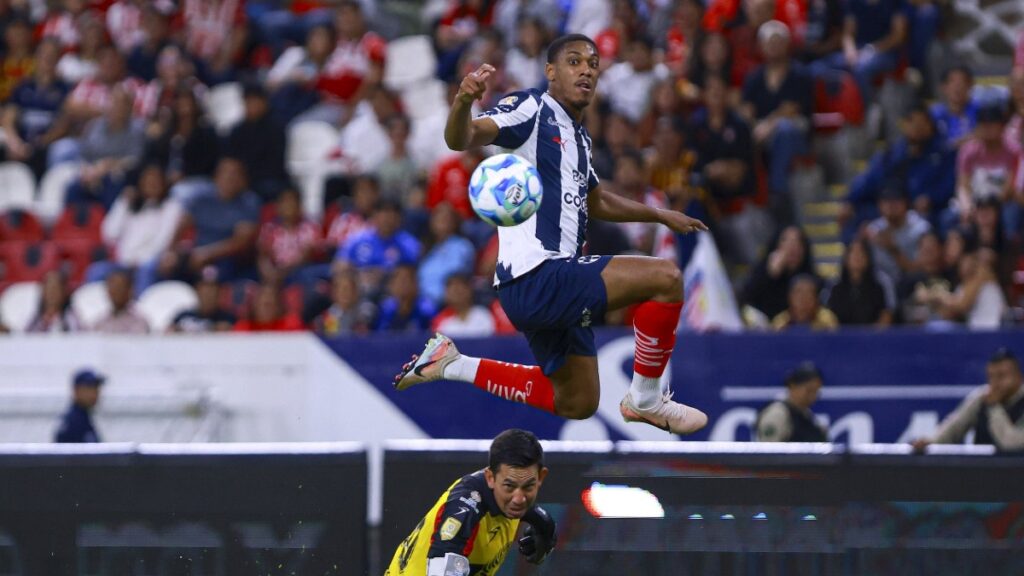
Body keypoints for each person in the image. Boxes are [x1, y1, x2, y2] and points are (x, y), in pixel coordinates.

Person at [394, 34, 710, 436]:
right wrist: (462, 102)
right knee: (666, 278)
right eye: (575, 62)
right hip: (540, 273)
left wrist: (660, 215)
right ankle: (646, 398)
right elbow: (462, 138)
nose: (586, 71)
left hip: (538, 287)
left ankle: (453, 364)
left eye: (593, 64)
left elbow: (597, 201)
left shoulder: (579, 137)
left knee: (578, 401)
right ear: (550, 72)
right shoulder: (532, 108)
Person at [384, 428, 556, 576]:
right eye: (509, 486)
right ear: (491, 478)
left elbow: (538, 518)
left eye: (528, 486)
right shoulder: (462, 511)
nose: (519, 499)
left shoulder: (511, 501)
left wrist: (545, 530)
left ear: (541, 478)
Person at [912, 348, 1024, 453]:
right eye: (991, 376)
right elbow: (954, 428)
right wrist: (931, 443)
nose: (995, 383)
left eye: (1001, 376)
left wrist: (994, 407)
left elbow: (1012, 444)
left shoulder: (993, 401)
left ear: (1018, 377)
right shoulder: (981, 398)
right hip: (983, 470)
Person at [755, 362, 828, 442]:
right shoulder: (777, 414)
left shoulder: (808, 417)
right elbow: (768, 451)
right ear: (792, 385)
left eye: (816, 392)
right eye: (809, 390)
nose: (812, 397)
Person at [92, 267, 150, 334]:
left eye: (119, 288)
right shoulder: (100, 321)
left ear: (129, 291)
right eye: (112, 287)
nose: (114, 292)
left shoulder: (139, 321)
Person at [55, 368, 104, 443]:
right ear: (76, 390)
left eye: (96, 388)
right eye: (89, 387)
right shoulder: (73, 422)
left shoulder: (84, 418)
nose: (94, 393)